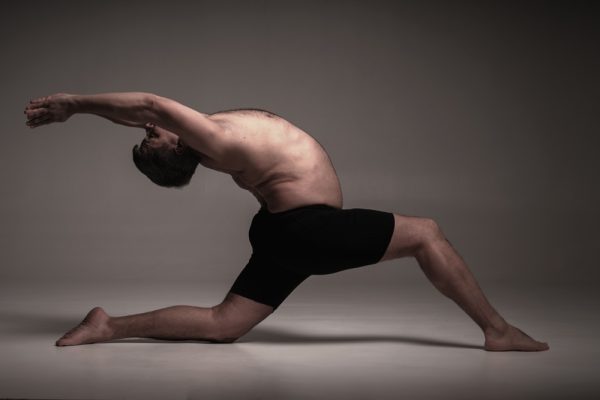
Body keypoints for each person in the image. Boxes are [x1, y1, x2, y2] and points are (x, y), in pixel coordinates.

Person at [23, 92, 549, 351]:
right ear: (176, 151)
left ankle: (109, 325)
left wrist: (90, 110)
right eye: (149, 139)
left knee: (224, 324)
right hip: (307, 228)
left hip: (285, 229)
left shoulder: (207, 138)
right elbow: (143, 104)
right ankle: (497, 331)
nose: (150, 129)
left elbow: (142, 111)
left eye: (147, 134)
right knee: (427, 233)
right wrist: (75, 105)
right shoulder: (213, 140)